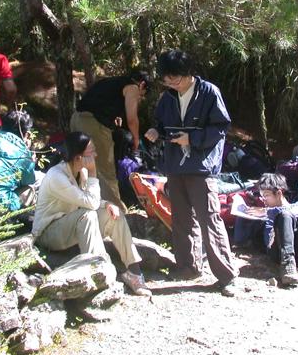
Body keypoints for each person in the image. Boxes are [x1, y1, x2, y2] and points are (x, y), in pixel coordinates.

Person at [143, 49, 239, 297]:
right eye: (167, 79)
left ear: (188, 73)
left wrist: (192, 139)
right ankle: (188, 267)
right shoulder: (167, 97)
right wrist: (155, 132)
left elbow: (220, 127)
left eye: (175, 78)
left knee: (209, 219)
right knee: (182, 219)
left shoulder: (209, 92)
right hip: (175, 166)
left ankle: (227, 276)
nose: (171, 83)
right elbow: (161, 124)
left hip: (201, 167)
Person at [32, 131, 151, 296]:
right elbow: (90, 203)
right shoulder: (56, 177)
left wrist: (107, 204)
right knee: (87, 215)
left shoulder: (81, 171)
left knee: (113, 213)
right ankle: (98, 269)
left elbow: (87, 200)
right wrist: (94, 173)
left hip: (73, 224)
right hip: (49, 233)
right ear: (78, 157)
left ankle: (134, 272)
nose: (95, 155)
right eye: (91, 152)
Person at [71, 69, 150, 212]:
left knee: (82, 167)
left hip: (76, 119)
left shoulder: (113, 82)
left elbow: (101, 102)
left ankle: (84, 205)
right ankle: (117, 212)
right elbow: (132, 120)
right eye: (142, 95)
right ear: (142, 84)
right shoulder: (133, 87)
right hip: (93, 125)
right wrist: (136, 139)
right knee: (106, 171)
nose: (140, 98)